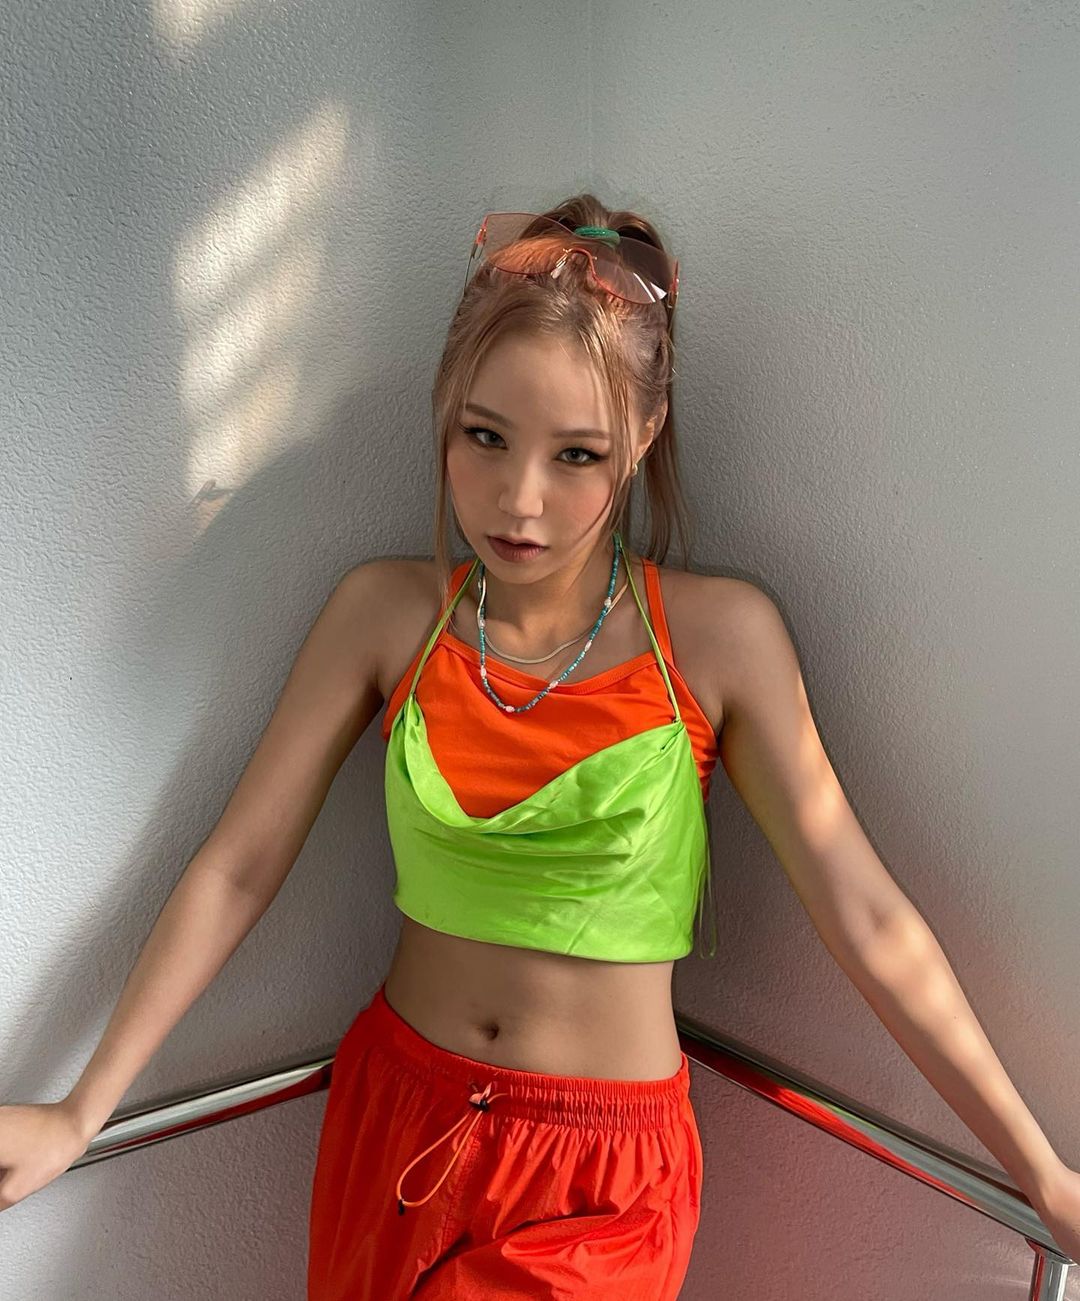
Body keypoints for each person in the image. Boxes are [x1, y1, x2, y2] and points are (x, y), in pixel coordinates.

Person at [7, 194, 1078, 1294]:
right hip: (395, 1123)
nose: (519, 500)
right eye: (485, 437)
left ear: (643, 437)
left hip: (601, 1178)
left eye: (577, 454)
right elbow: (238, 864)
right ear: (445, 414)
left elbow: (868, 915)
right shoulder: (384, 614)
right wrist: (80, 1109)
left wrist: (1043, 1174)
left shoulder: (719, 639)